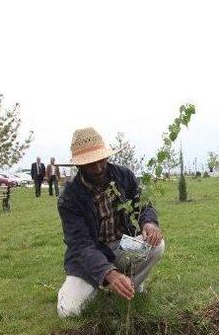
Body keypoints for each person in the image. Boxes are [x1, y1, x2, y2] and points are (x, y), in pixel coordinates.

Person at [56, 127, 165, 317]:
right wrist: (109, 273)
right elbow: (81, 246)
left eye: (101, 160)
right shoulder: (69, 197)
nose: (98, 168)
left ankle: (125, 290)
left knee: (156, 246)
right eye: (91, 164)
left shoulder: (123, 176)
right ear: (79, 166)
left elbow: (143, 204)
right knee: (69, 311)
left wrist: (149, 223)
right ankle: (107, 286)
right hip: (89, 256)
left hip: (123, 244)